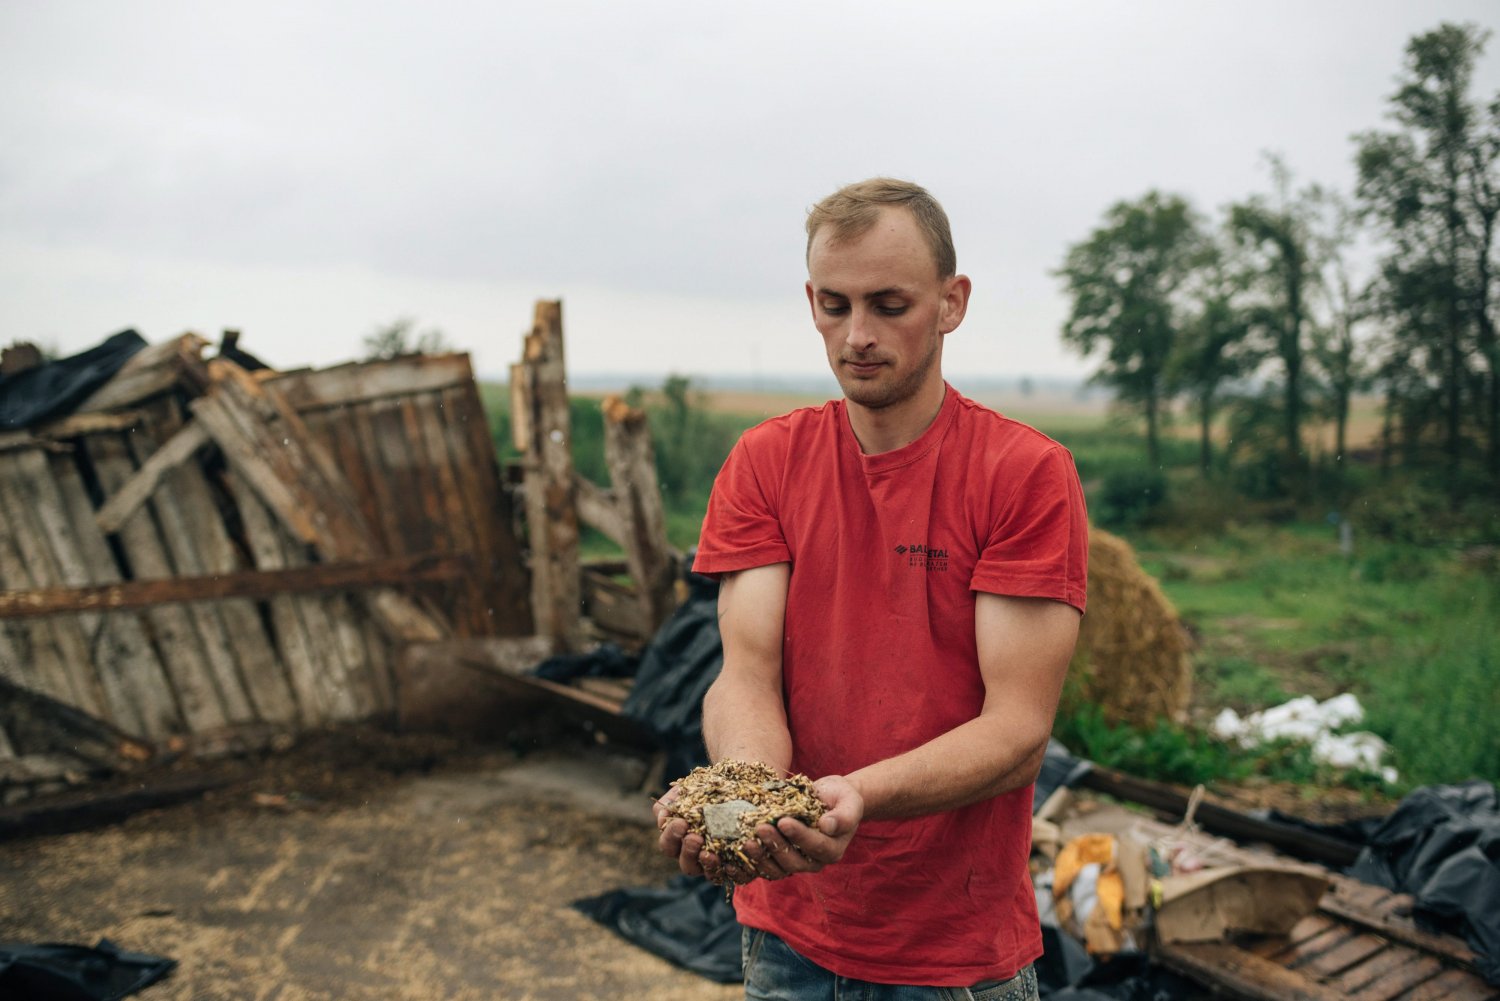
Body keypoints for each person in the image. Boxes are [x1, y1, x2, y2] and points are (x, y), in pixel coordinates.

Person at [655, 177, 1088, 1000]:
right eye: (833, 304)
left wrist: (859, 795)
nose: (857, 335)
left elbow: (1018, 729)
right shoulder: (766, 461)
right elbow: (746, 673)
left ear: (951, 302)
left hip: (955, 954)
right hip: (787, 934)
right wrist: (750, 803)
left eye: (890, 305)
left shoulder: (1023, 474)